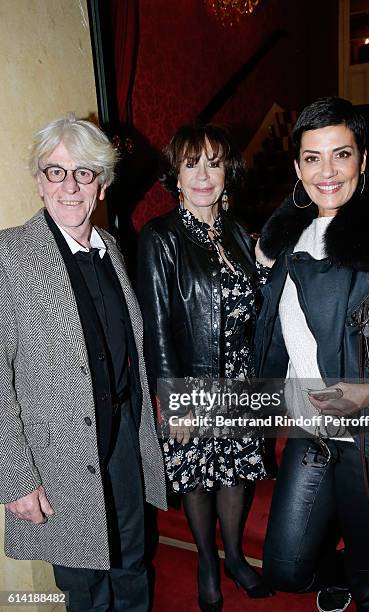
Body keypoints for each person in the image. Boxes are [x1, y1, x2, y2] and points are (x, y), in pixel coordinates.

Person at [0, 115, 166, 612]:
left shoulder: (112, 247)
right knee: (86, 587)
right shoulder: (10, 255)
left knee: (133, 560)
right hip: (58, 457)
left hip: (122, 440)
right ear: (39, 180)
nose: (70, 186)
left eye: (84, 172)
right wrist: (15, 479)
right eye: (56, 172)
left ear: (101, 185)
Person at [255, 96, 369, 612]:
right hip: (312, 428)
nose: (327, 172)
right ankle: (343, 561)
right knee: (285, 567)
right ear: (297, 166)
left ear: (363, 160)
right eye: (313, 157)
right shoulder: (285, 240)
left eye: (341, 155)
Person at [137, 124, 272, 611]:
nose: (202, 175)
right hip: (193, 380)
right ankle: (207, 562)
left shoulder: (238, 232)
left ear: (226, 172)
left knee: (236, 473)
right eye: (191, 164)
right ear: (175, 174)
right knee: (198, 477)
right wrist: (174, 399)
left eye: (213, 163)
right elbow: (155, 326)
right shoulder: (161, 237)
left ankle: (235, 556)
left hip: (242, 379)